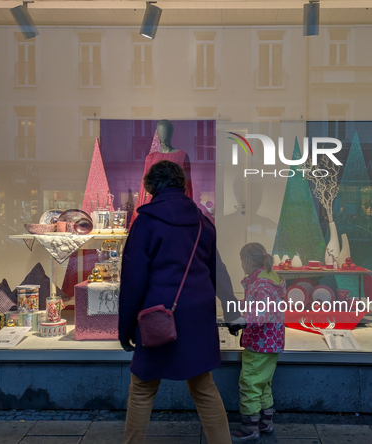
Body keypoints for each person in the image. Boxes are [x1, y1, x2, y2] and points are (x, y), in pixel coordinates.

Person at [118, 160, 231, 444]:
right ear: (182, 185)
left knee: (143, 387)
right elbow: (216, 269)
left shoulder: (145, 223)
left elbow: (133, 281)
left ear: (151, 187)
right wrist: (232, 307)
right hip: (197, 314)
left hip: (157, 316)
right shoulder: (203, 221)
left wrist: (125, 328)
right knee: (203, 386)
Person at [231, 243, 286, 443]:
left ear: (247, 261)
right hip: (272, 342)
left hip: (260, 343)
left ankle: (250, 428)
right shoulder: (269, 280)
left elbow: (262, 312)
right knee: (263, 385)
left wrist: (242, 320)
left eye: (241, 260)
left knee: (250, 384)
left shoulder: (260, 284)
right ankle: (265, 423)